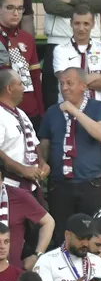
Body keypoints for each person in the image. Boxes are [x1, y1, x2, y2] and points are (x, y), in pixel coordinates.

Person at [38, 68, 101, 239]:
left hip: (90, 183)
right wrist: (42, 161)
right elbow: (44, 144)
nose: (64, 88)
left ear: (83, 86)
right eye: (61, 83)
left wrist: (74, 111)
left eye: (69, 83)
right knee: (62, 235)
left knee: (91, 235)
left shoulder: (97, 107)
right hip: (59, 184)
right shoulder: (52, 112)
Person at [52, 7, 101, 105]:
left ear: (93, 24)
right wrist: (96, 76)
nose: (81, 28)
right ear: (71, 23)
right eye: (77, 23)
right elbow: (65, 81)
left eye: (86, 24)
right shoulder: (60, 50)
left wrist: (76, 82)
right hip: (69, 105)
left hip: (97, 106)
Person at [0, 69, 46, 198]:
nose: (23, 88)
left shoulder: (21, 113)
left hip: (32, 185)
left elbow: (35, 142)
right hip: (10, 186)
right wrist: (22, 169)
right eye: (20, 84)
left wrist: (42, 162)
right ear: (9, 88)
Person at [0, 0, 42, 122]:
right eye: (10, 8)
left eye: (20, 8)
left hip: (29, 109)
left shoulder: (27, 38)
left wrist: (41, 112)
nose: (16, 13)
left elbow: (35, 77)